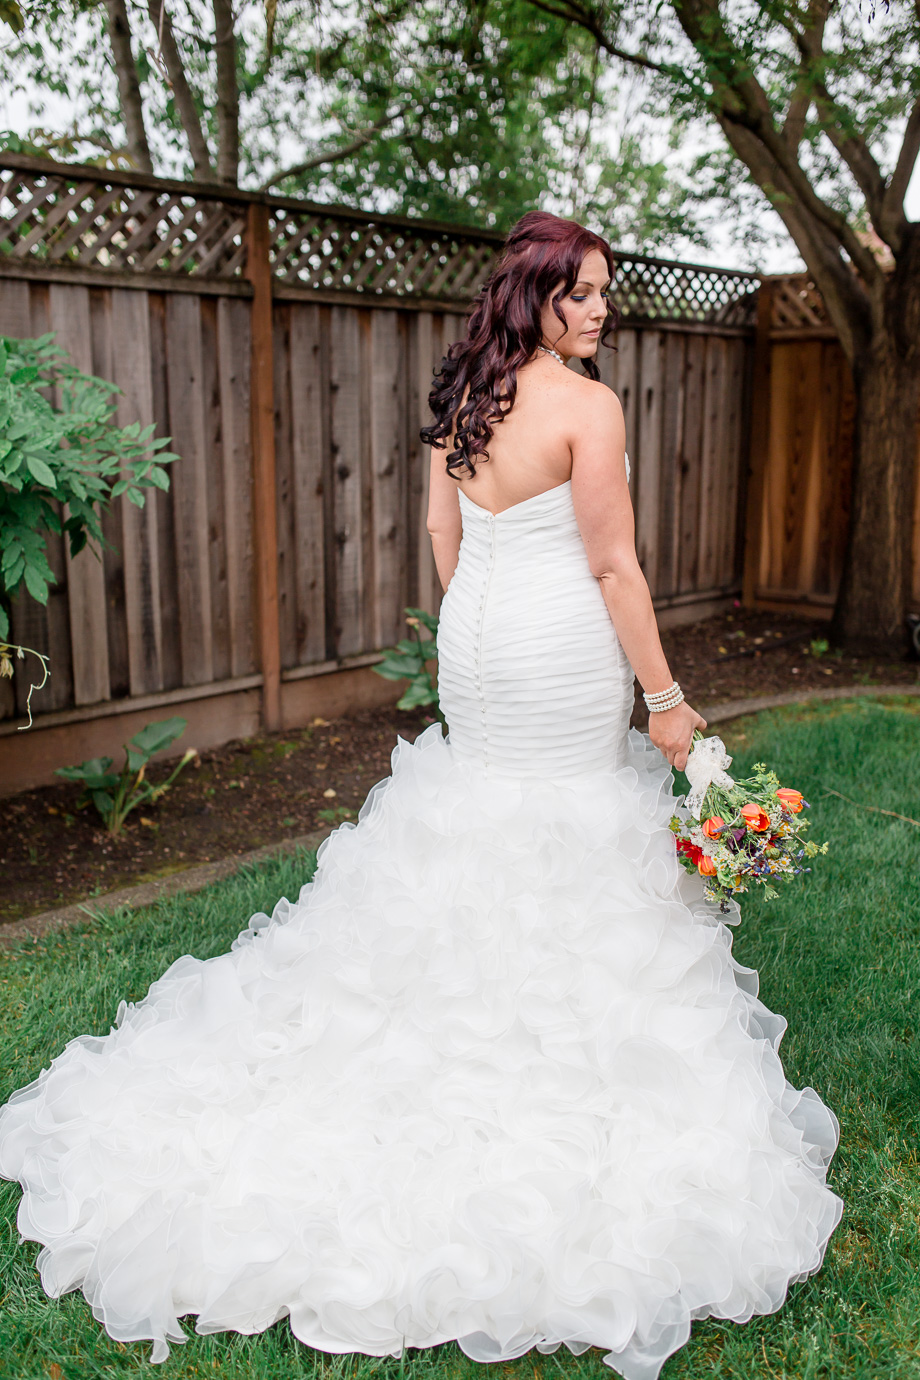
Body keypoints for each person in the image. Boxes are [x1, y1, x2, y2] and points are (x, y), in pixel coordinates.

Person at [0, 211, 842, 1380]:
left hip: (484, 650)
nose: (602, 311)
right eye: (584, 294)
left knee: (484, 809)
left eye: (606, 293)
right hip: (555, 653)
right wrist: (664, 698)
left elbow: (445, 536)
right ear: (537, 298)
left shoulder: (468, 402)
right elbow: (611, 566)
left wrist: (478, 627)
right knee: (564, 819)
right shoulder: (587, 412)